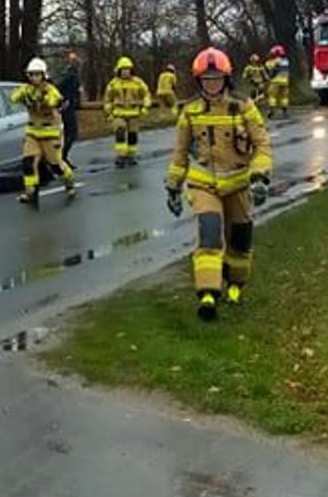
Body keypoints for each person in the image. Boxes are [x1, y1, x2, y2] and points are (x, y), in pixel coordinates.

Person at [164, 48, 273, 321]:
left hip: (238, 183)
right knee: (210, 233)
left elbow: (262, 145)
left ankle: (235, 284)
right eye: (206, 79)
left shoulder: (244, 107)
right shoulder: (190, 111)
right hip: (204, 185)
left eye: (216, 78)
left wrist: (260, 176)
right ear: (198, 81)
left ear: (226, 79)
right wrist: (173, 186)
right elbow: (179, 153)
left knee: (240, 239)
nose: (211, 84)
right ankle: (208, 294)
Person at [13, 57, 77, 205]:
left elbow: (55, 100)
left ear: (43, 75)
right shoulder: (27, 89)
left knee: (55, 165)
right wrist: (22, 96)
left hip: (50, 133)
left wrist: (46, 99)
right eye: (32, 74)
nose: (35, 78)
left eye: (38, 74)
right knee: (28, 162)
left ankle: (69, 182)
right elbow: (14, 96)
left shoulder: (50, 90)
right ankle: (30, 190)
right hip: (33, 132)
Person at [103, 56, 152, 167]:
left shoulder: (137, 82)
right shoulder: (113, 84)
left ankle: (131, 156)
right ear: (119, 71)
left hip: (133, 114)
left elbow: (146, 95)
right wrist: (108, 113)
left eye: (127, 70)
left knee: (132, 135)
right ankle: (120, 156)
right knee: (119, 133)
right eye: (123, 70)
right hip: (118, 114)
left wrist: (145, 107)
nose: (125, 72)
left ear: (131, 70)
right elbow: (107, 99)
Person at [54, 51, 83, 164]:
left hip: (71, 106)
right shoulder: (69, 75)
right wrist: (64, 100)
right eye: (75, 61)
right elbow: (58, 87)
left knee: (69, 133)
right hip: (67, 108)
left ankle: (63, 157)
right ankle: (61, 156)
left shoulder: (72, 74)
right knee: (71, 133)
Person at [263, 45, 291, 119]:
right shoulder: (286, 61)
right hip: (285, 81)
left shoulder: (274, 61)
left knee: (272, 96)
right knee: (284, 97)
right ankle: (285, 112)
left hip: (275, 81)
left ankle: (271, 111)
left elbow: (268, 67)